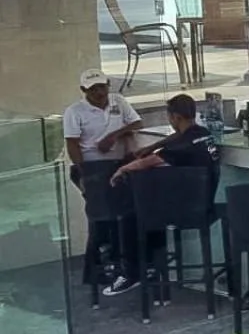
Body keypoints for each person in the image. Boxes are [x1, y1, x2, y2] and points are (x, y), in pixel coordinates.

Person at [107, 94, 221, 296]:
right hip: (205, 205)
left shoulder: (178, 148)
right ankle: (151, 264)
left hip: (184, 211)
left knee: (130, 215)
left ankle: (132, 272)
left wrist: (122, 170)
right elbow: (179, 137)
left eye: (170, 117)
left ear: (175, 117)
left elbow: (148, 162)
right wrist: (153, 146)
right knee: (147, 208)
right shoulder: (204, 134)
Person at [63, 69, 142, 294]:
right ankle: (97, 269)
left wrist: (114, 135)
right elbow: (73, 145)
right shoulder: (75, 112)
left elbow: (136, 123)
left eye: (102, 87)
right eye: (94, 89)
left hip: (116, 163)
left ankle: (121, 264)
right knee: (101, 217)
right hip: (92, 166)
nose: (100, 92)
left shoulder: (118, 101)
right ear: (84, 91)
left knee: (123, 214)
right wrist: (84, 174)